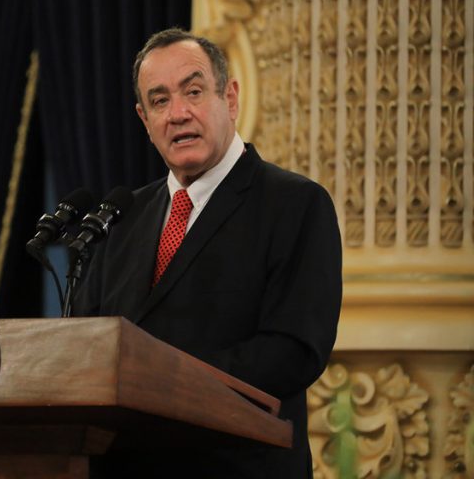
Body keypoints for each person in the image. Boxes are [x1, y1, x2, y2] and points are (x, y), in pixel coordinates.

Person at [73, 27, 342, 478]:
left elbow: (295, 350)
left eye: (193, 92)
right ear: (144, 119)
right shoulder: (121, 215)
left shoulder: (295, 204)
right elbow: (88, 342)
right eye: (159, 101)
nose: (178, 113)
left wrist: (163, 384)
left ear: (230, 98)